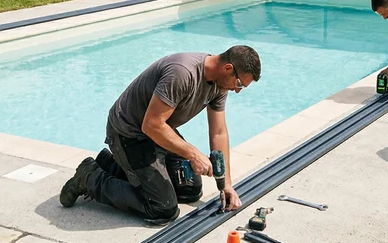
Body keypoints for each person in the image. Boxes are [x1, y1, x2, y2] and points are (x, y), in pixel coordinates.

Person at [59, 46, 261, 225]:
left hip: (160, 132)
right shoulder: (182, 73)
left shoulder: (219, 84)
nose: (237, 91)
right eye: (239, 84)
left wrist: (225, 183)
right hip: (130, 134)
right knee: (162, 208)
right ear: (227, 68)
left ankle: (109, 163)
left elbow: (218, 132)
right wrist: (192, 153)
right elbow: (151, 125)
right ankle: (90, 178)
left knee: (189, 190)